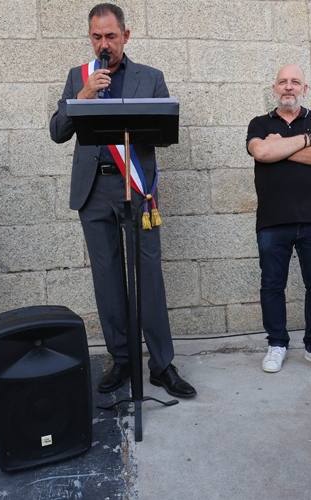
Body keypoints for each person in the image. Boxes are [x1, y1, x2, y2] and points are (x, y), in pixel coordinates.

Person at [49, 4, 196, 398]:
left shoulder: (150, 78)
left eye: (111, 36)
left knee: (149, 276)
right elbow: (57, 132)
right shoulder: (78, 77)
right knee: (108, 280)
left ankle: (162, 365)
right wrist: (82, 96)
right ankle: (121, 359)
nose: (104, 44)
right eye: (96, 37)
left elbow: (165, 133)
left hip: (136, 189)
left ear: (125, 37)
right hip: (93, 191)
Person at [246, 64, 311, 375]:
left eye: (295, 82)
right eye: (283, 82)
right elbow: (260, 152)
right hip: (273, 220)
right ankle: (277, 344)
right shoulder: (259, 123)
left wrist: (282, 146)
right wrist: (308, 141)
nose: (289, 87)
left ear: (305, 89)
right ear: (274, 89)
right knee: (272, 285)